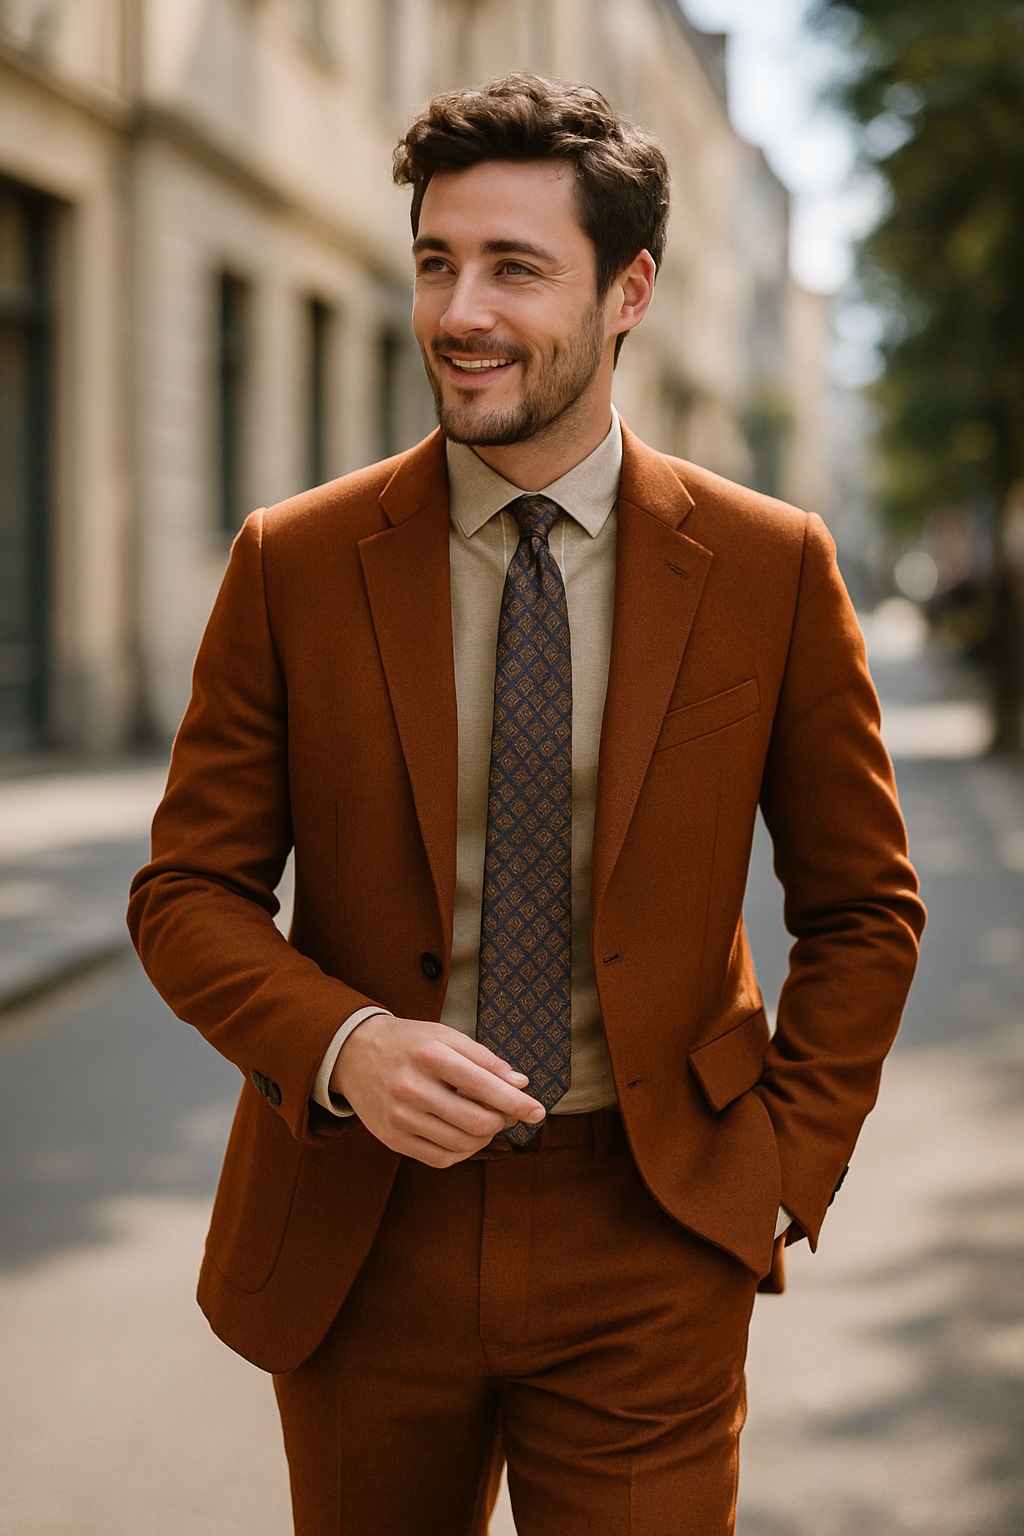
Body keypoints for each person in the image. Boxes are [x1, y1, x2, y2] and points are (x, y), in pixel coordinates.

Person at [129, 72, 925, 1536]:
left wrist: (775, 1169)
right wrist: (344, 1045)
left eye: (513, 268)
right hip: (366, 1236)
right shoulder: (292, 563)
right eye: (437, 260)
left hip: (651, 1229)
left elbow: (865, 908)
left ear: (629, 292)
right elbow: (184, 893)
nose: (459, 311)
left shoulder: (770, 568)